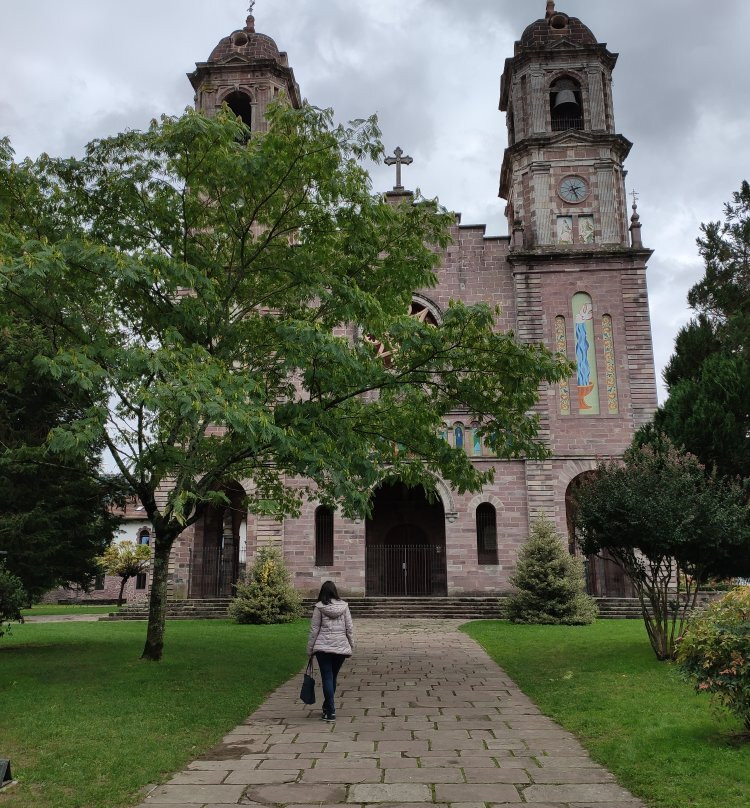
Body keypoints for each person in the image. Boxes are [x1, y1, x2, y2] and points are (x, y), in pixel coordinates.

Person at [306, 580, 354, 721]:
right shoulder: (344, 606)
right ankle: (328, 707)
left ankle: (330, 710)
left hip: (323, 648)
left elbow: (314, 630)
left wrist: (309, 649)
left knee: (327, 677)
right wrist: (351, 645)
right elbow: (349, 628)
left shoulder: (319, 607)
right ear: (335, 591)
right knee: (332, 677)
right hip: (340, 648)